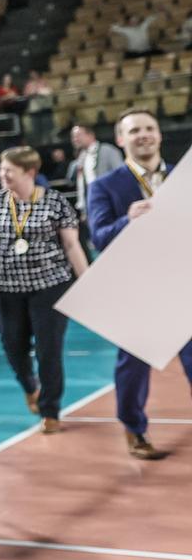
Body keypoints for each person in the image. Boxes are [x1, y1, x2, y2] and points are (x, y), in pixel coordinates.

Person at [86, 108, 182, 460]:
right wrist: (127, 220)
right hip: (139, 290)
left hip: (183, 285)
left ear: (159, 135)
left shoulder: (182, 179)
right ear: (121, 139)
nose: (143, 134)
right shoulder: (105, 186)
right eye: (135, 130)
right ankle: (134, 428)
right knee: (134, 367)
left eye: (149, 128)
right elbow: (98, 237)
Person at [0, 147, 88, 433]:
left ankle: (50, 410)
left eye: (8, 171)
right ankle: (29, 385)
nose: (2, 176)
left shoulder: (55, 202)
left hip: (50, 286)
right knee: (13, 347)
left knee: (48, 350)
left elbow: (72, 245)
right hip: (8, 289)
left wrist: (86, 279)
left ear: (29, 173)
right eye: (1, 171)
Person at [67, 124, 123, 248]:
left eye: (78, 135)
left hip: (111, 206)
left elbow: (121, 174)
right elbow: (73, 181)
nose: (75, 139)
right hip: (92, 208)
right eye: (73, 137)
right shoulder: (81, 157)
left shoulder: (107, 150)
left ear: (90, 135)